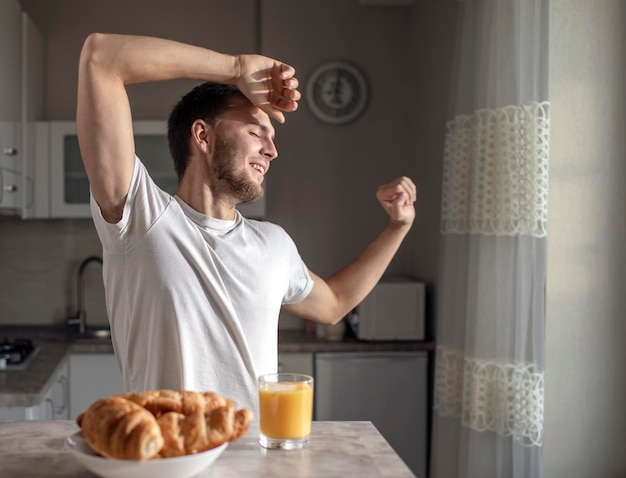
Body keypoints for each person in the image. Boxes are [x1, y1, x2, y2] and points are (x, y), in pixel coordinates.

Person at [76, 33, 416, 413]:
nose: (272, 151)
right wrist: (235, 68)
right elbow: (102, 57)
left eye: (271, 138)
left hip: (257, 463)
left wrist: (396, 227)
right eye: (257, 132)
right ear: (203, 135)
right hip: (168, 464)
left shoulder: (273, 243)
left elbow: (334, 303)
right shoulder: (141, 219)